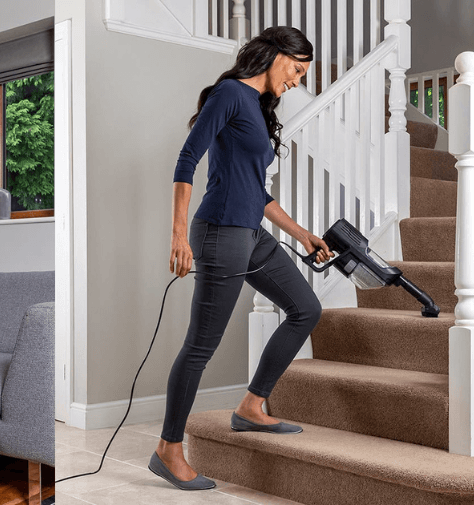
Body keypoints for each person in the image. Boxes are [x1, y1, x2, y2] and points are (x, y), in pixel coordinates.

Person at [148, 26, 334, 490]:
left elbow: (258, 191)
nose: (296, 81)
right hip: (219, 233)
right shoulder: (230, 94)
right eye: (296, 69)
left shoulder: (256, 105)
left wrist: (302, 233)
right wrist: (178, 235)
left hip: (251, 232)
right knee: (201, 346)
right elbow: (187, 159)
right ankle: (168, 450)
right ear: (274, 56)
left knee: (305, 309)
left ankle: (252, 406)